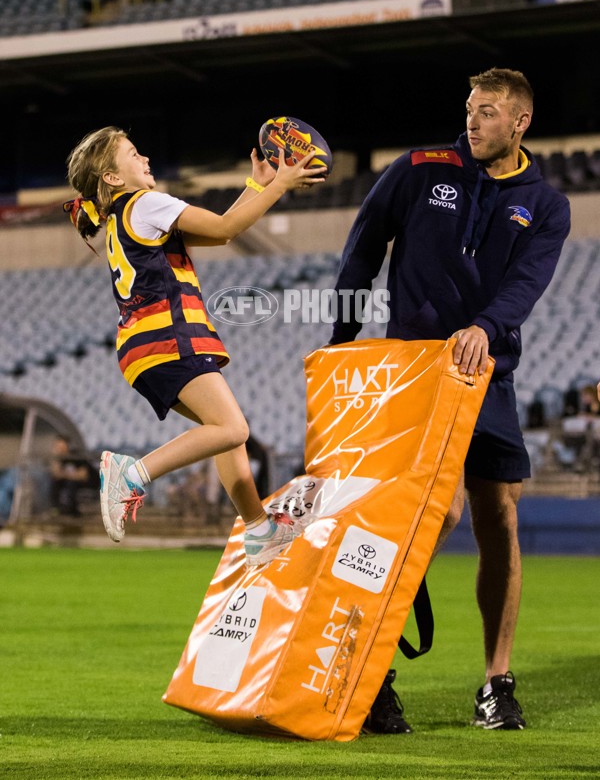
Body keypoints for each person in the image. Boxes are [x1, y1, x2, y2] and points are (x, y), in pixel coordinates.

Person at [330, 68, 570, 731]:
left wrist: (484, 329)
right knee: (423, 522)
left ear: (520, 122)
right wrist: (341, 339)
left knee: (498, 516)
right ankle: (373, 673)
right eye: (469, 109)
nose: (472, 121)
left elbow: (526, 284)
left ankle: (497, 683)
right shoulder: (417, 169)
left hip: (487, 375)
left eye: (488, 112)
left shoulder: (546, 207)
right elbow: (361, 252)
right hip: (411, 371)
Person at [64, 126, 324, 567]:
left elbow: (223, 233)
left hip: (142, 347)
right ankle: (131, 474)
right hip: (168, 338)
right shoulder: (146, 203)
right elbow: (226, 226)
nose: (144, 158)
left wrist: (256, 186)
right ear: (112, 177)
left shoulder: (122, 216)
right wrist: (278, 184)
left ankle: (259, 530)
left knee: (224, 434)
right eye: (132, 153)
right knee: (234, 430)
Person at [48, 434, 91, 517]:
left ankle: (71, 510)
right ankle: (56, 509)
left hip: (84, 484)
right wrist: (56, 457)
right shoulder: (59, 458)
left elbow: (83, 475)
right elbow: (55, 474)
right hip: (67, 483)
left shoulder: (76, 456)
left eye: (62, 446)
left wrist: (65, 475)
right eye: (58, 446)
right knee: (54, 483)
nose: (60, 449)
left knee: (71, 483)